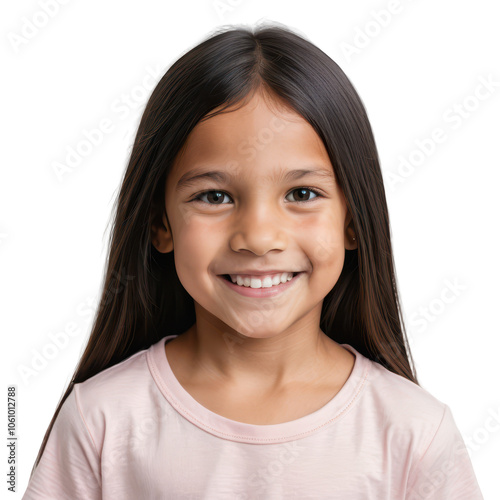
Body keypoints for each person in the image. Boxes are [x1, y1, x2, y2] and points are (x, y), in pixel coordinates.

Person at [22, 22, 484, 499]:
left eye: (302, 193)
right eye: (214, 196)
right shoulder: (100, 422)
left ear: (353, 221)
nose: (259, 238)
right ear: (161, 224)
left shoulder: (415, 435)